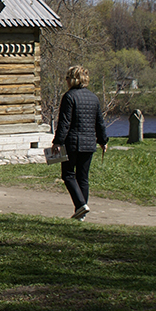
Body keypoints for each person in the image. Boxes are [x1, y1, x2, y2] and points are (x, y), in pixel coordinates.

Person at [52, 65, 108, 221]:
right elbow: (100, 123)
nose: (66, 81)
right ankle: (81, 212)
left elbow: (64, 123)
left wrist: (57, 142)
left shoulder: (69, 97)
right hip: (89, 143)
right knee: (83, 178)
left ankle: (81, 205)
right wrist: (103, 141)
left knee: (68, 175)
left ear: (73, 79)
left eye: (67, 78)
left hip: (72, 142)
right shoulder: (93, 98)